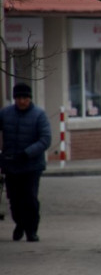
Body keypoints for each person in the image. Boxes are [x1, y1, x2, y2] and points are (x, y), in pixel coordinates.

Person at [1, 84, 52, 242]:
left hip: (31, 165)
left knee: (30, 198)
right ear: (15, 99)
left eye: (25, 98)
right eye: (19, 98)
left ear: (30, 99)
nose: (22, 101)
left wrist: (27, 153)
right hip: (11, 164)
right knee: (14, 200)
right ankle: (20, 223)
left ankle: (31, 229)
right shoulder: (5, 114)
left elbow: (45, 139)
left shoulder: (39, 115)